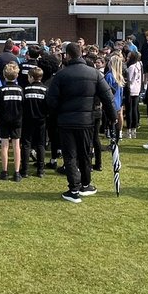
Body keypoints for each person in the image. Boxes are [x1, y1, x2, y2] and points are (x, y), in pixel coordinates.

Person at [45, 41, 116, 203]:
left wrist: (54, 116)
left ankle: (74, 189)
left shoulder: (61, 75)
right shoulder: (95, 74)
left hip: (66, 121)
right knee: (85, 153)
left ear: (68, 55)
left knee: (70, 155)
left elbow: (51, 101)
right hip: (86, 121)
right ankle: (86, 184)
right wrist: (112, 118)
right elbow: (108, 97)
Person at [0, 61, 25, 181]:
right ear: (17, 75)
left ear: (4, 76)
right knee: (16, 146)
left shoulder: (1, 90)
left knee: (4, 145)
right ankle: (16, 172)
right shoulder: (20, 90)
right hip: (17, 120)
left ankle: (4, 171)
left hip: (4, 120)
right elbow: (23, 105)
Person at [20, 65, 48, 178]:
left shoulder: (25, 90)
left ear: (31, 77)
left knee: (26, 144)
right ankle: (40, 170)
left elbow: (22, 105)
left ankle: (25, 170)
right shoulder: (46, 90)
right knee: (41, 144)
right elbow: (48, 105)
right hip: (41, 120)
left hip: (27, 119)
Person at [125, 50, 143, 140]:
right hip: (137, 89)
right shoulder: (139, 64)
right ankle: (134, 129)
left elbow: (129, 79)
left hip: (131, 89)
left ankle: (129, 129)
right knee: (135, 109)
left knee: (129, 110)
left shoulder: (131, 67)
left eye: (129, 56)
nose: (127, 58)